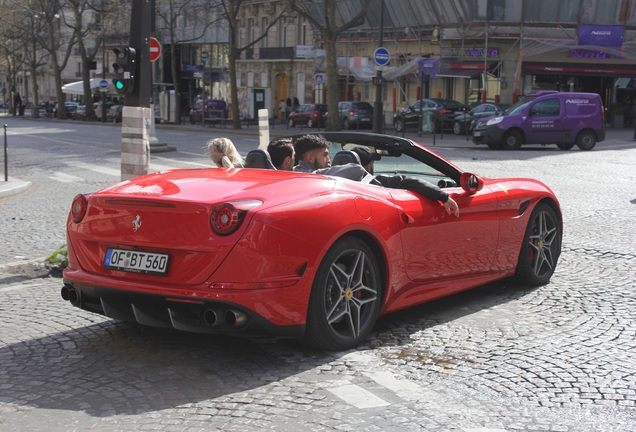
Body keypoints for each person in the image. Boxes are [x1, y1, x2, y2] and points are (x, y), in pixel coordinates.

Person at [293, 134, 459, 217]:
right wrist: (442, 196)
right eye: (325, 155)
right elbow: (402, 181)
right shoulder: (346, 174)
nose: (329, 160)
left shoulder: (285, 176)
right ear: (310, 158)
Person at [349, 145, 459, 217]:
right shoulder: (372, 182)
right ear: (368, 166)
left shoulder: (333, 177)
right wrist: (443, 196)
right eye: (372, 163)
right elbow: (410, 182)